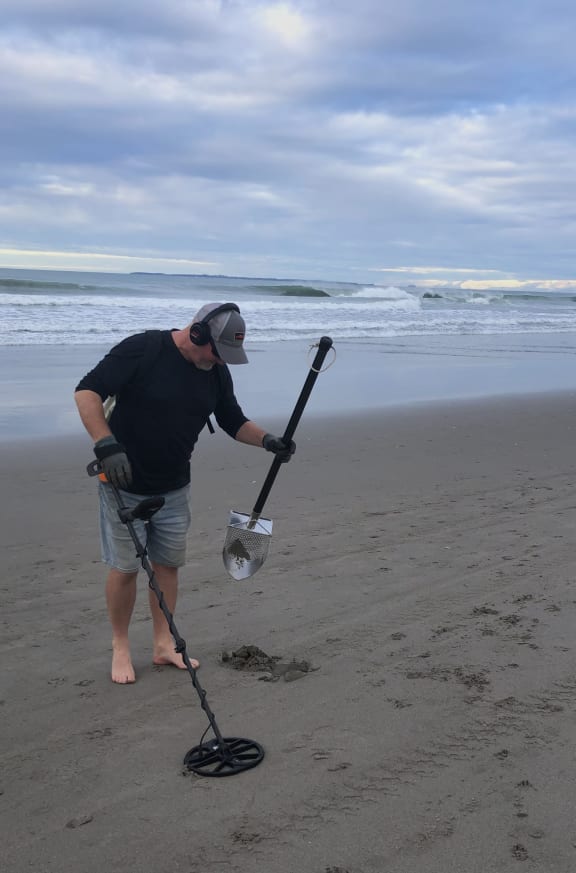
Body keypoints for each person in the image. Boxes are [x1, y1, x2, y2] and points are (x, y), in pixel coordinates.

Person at [75, 302, 295, 685]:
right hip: (123, 485)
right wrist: (105, 444)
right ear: (196, 333)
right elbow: (86, 392)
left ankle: (164, 644)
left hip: (175, 485)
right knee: (126, 567)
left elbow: (232, 420)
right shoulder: (143, 349)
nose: (220, 360)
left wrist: (268, 441)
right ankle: (121, 646)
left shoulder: (216, 371)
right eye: (216, 351)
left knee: (167, 564)